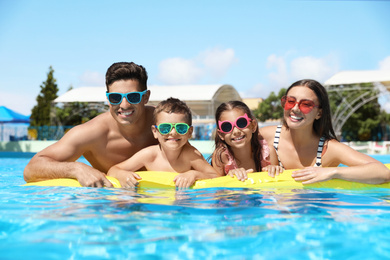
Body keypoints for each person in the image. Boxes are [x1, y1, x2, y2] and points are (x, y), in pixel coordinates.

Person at [24, 62, 158, 187]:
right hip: (110, 205)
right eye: (115, 98)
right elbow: (31, 169)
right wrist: (76, 169)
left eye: (133, 97)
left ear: (145, 97)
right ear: (108, 99)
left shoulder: (165, 122)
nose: (124, 105)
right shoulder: (92, 134)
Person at [260, 79, 390, 184]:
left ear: (319, 113)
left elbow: (382, 172)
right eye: (290, 101)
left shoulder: (329, 149)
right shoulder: (266, 136)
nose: (295, 108)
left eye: (306, 104)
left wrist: (332, 172)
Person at [107, 97, 222, 188]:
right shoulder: (149, 155)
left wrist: (194, 174)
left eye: (180, 127)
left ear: (189, 132)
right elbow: (113, 170)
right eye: (165, 128)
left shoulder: (190, 155)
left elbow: (216, 176)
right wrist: (122, 175)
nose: (172, 132)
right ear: (155, 132)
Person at [211, 101, 283, 182]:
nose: (236, 131)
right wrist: (229, 179)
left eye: (241, 123)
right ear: (221, 134)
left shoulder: (268, 153)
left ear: (253, 126)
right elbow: (217, 190)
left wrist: (273, 169)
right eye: (227, 127)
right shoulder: (221, 157)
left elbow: (275, 188)